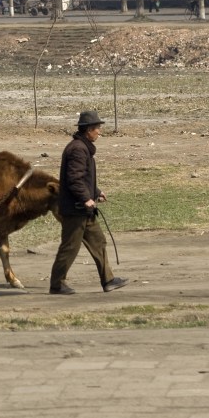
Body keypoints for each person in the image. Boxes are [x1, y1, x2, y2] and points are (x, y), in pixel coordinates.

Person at [49, 110, 128, 295]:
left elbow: (83, 178)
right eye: (97, 128)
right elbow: (74, 179)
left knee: (99, 241)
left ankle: (108, 280)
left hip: (83, 210)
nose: (99, 132)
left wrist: (96, 193)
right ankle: (57, 284)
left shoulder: (82, 147)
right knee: (70, 247)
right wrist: (86, 198)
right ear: (88, 130)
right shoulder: (78, 149)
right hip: (76, 210)